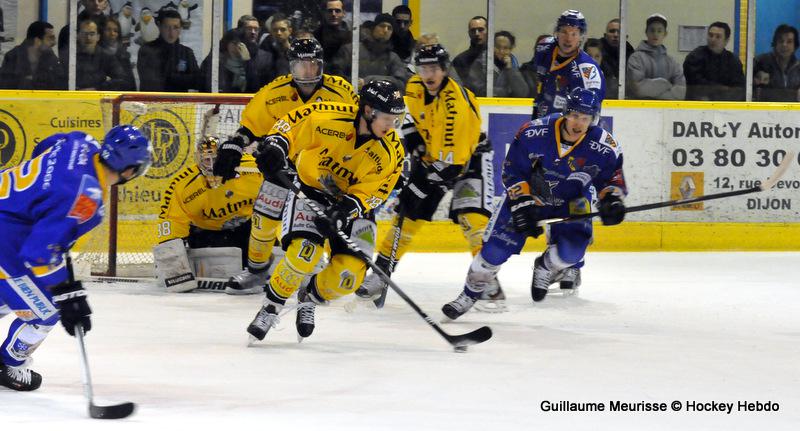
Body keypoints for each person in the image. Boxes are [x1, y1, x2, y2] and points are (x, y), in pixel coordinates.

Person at [441, 88, 627, 319]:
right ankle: (469, 294)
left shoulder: (605, 146)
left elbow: (612, 179)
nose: (579, 123)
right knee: (494, 251)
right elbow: (512, 170)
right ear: (566, 113)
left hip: (573, 200)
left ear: (593, 119)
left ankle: (545, 266)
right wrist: (522, 203)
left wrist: (612, 199)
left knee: (571, 254)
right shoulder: (533, 132)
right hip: (531, 196)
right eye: (575, 116)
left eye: (586, 118)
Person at [245, 80, 406, 342]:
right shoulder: (329, 116)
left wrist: (345, 210)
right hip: (312, 192)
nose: (392, 126)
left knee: (348, 278)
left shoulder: (391, 151)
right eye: (387, 118)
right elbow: (290, 125)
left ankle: (308, 295)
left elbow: (377, 192)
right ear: (368, 111)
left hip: (353, 208)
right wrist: (276, 145)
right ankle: (271, 307)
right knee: (303, 254)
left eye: (395, 119)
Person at [0, 125, 152, 391]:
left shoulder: (81, 142)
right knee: (46, 312)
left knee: (10, 295)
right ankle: (8, 363)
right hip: (6, 243)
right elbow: (39, 254)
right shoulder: (86, 200)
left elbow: (46, 146)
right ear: (130, 171)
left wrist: (48, 203)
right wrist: (66, 293)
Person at [355, 44, 499, 309]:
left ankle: (487, 284)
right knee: (408, 216)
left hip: (470, 160)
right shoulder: (414, 86)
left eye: (433, 68)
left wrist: (418, 188)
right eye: (423, 69)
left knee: (472, 220)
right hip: (435, 157)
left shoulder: (454, 105)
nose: (428, 74)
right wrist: (415, 142)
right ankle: (381, 273)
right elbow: (410, 118)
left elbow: (452, 166)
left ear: (444, 69)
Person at [212, 38, 358, 295]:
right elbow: (250, 128)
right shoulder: (274, 92)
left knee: (325, 220)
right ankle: (257, 270)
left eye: (313, 65)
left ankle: (323, 266)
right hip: (282, 167)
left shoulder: (341, 91)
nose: (308, 72)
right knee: (263, 220)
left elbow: (357, 128)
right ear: (291, 67)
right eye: (301, 65)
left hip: (323, 171)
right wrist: (235, 144)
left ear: (321, 65)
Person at [153, 136, 271, 293]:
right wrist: (175, 271)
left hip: (247, 229)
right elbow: (170, 222)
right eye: (206, 160)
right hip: (207, 234)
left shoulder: (253, 169)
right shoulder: (183, 185)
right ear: (198, 159)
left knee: (265, 224)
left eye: (215, 159)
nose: (211, 165)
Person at [531, 10, 605, 119]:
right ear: (557, 32)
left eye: (574, 34)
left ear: (581, 37)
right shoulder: (543, 48)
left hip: (569, 125)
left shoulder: (588, 70)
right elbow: (540, 85)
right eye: (564, 32)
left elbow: (592, 113)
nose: (568, 39)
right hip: (542, 120)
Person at [331, 13, 411, 90]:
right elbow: (334, 74)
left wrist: (368, 81)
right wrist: (353, 82)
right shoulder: (351, 50)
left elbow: (400, 83)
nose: (385, 30)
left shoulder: (393, 58)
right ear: (373, 28)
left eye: (389, 28)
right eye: (382, 26)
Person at [137, 8, 200, 92]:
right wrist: (180, 78)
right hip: (153, 99)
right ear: (159, 26)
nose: (171, 33)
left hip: (179, 100)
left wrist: (173, 77)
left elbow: (197, 81)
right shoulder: (147, 50)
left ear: (180, 28)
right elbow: (150, 81)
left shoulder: (186, 52)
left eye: (176, 27)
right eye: (167, 27)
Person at [626, 13, 686, 100]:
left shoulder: (672, 62)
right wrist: (666, 85)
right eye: (652, 30)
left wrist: (654, 92)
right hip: (641, 107)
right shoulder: (636, 58)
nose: (655, 34)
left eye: (659, 31)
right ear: (646, 32)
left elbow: (681, 92)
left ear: (665, 34)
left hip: (667, 108)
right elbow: (639, 89)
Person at [683, 22, 745, 101]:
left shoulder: (733, 61)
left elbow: (739, 88)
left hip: (725, 104)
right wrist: (721, 89)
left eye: (718, 37)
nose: (713, 39)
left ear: (726, 40)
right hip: (698, 103)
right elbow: (696, 84)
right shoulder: (695, 57)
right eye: (710, 35)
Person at [0, 21, 64, 90]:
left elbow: (59, 81)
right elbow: (6, 86)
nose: (54, 42)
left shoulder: (50, 56)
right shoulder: (13, 57)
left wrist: (33, 78)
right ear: (37, 41)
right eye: (50, 38)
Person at [68, 18, 128, 91]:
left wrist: (98, 88)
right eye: (84, 34)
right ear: (78, 36)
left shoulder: (107, 57)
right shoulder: (70, 56)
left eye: (92, 34)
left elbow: (122, 80)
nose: (88, 38)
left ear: (98, 37)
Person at [753, 24, 800, 102]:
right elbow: (744, 88)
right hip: (764, 108)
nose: (784, 45)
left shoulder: (798, 67)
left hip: (792, 108)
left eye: (789, 42)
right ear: (775, 43)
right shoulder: (760, 62)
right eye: (781, 41)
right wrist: (755, 81)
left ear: (795, 46)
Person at [452, 16, 488, 96]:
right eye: (473, 30)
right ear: (469, 33)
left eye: (480, 30)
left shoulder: (499, 58)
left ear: (488, 31)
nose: (477, 33)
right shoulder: (460, 60)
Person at [599, 18, 634, 99]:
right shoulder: (596, 53)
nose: (615, 35)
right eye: (612, 31)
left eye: (620, 32)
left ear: (626, 37)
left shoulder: (632, 56)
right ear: (605, 35)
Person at [99, 16, 136, 90]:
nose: (112, 33)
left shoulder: (123, 55)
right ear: (101, 31)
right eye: (108, 30)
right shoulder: (96, 53)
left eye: (115, 31)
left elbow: (130, 82)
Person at [314, 0, 351, 68]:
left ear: (344, 13)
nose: (333, 14)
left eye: (337, 11)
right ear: (324, 13)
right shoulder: (316, 36)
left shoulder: (352, 35)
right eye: (330, 11)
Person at [493, 30, 529, 97]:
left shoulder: (516, 67)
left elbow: (522, 93)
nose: (501, 51)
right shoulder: (482, 63)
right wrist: (505, 92)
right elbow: (480, 89)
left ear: (511, 49)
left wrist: (510, 69)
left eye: (505, 48)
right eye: (497, 47)